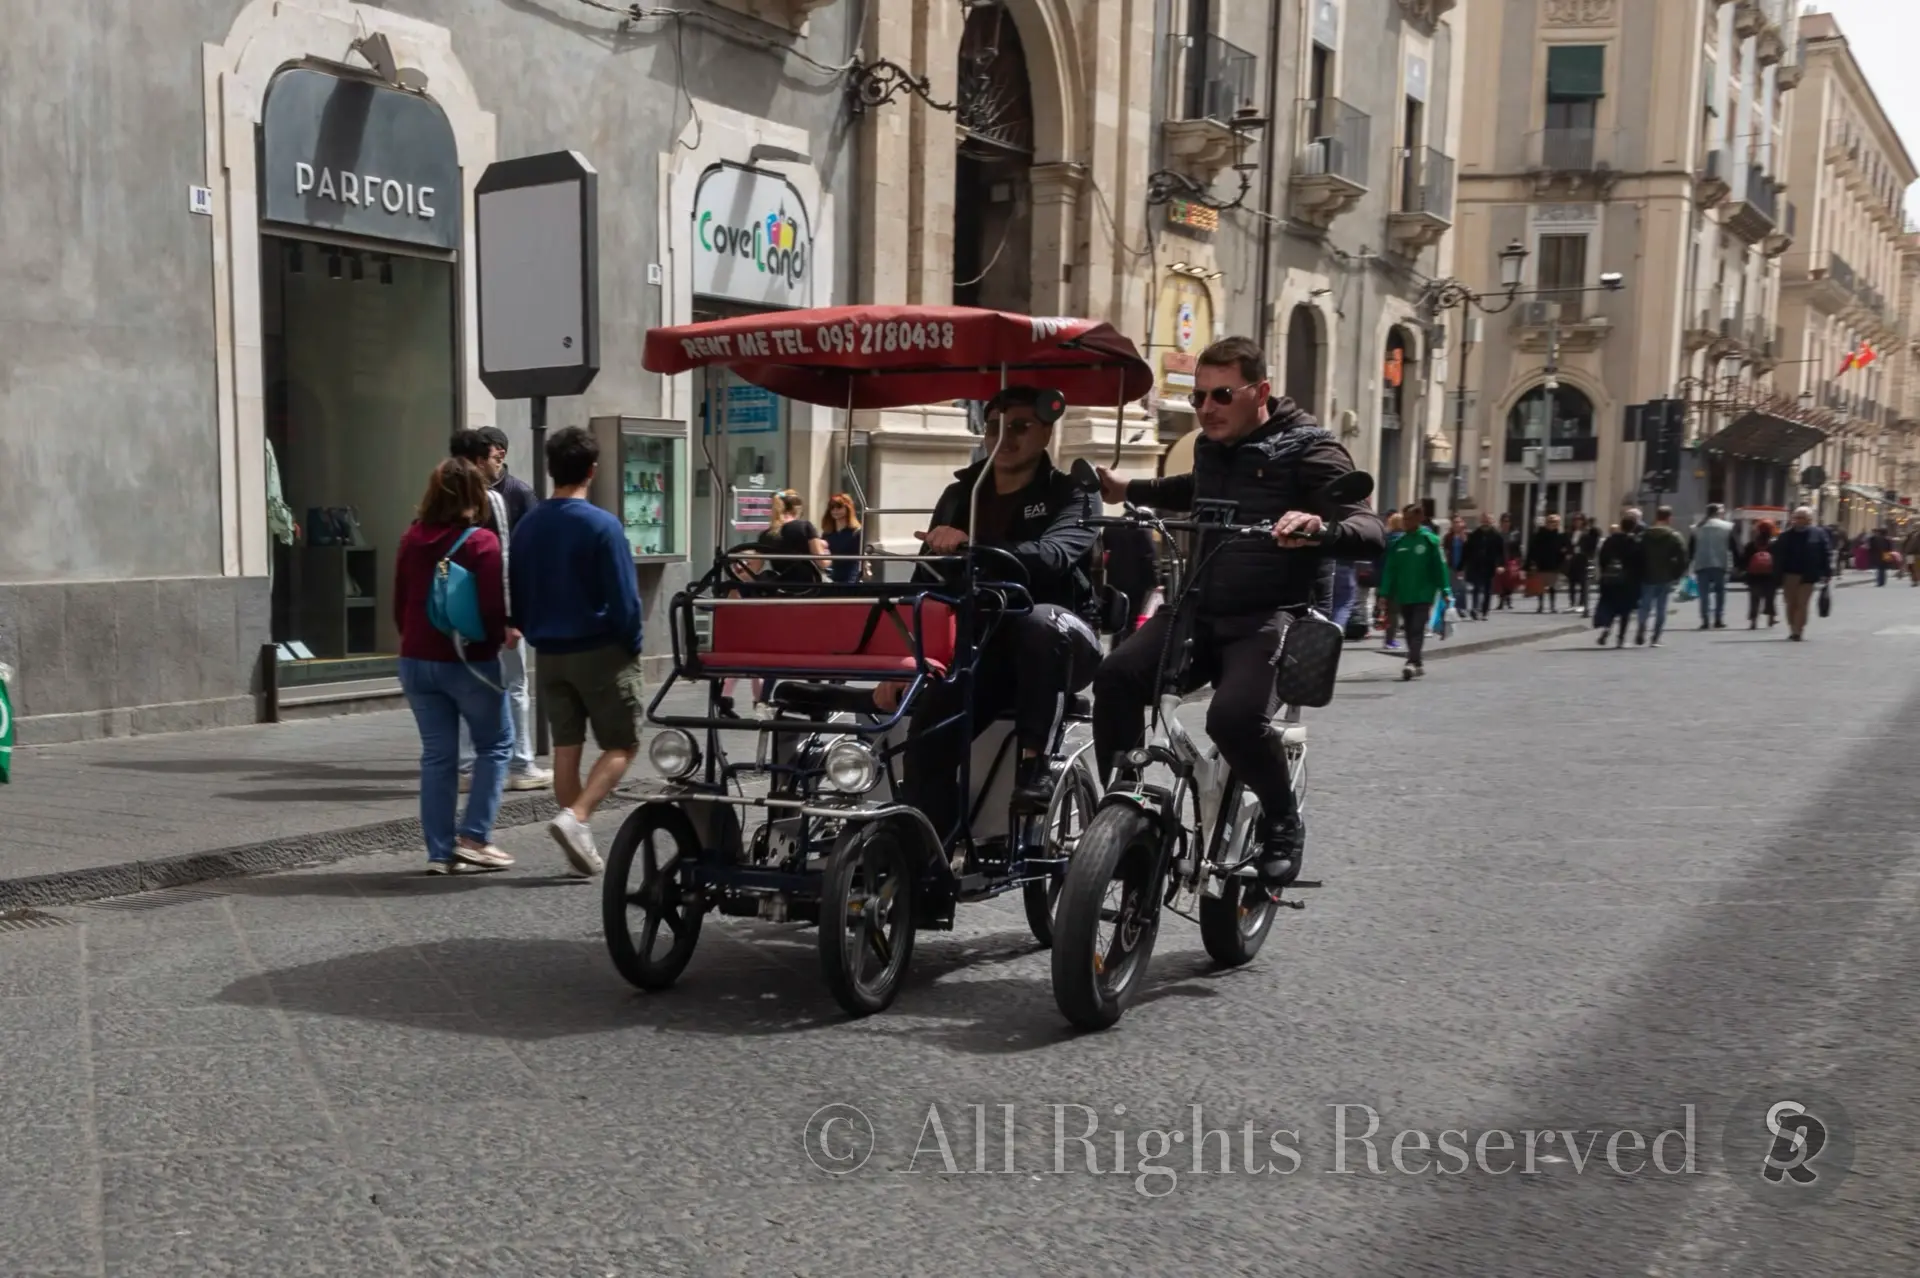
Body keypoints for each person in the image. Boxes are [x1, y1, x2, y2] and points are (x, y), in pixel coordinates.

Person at [1091, 337, 1384, 889]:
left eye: (1221, 395)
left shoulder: (1311, 449)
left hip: (1271, 617)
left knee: (1231, 719)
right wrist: (1130, 488)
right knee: (1115, 676)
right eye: (1200, 396)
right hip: (1200, 609)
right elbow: (1193, 490)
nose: (1206, 409)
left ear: (1261, 392)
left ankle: (1281, 821)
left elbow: (1369, 530)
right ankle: (1120, 807)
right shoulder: (1209, 446)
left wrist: (1320, 530)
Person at [872, 386, 1103, 841]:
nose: (1004, 438)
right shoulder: (960, 494)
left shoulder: (1072, 493)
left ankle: (1034, 767)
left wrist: (972, 546)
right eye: (995, 427)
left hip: (1059, 644)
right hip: (981, 647)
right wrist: (902, 659)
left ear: (1046, 433)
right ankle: (931, 860)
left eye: (1020, 427)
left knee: (1039, 621)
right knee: (925, 741)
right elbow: (926, 582)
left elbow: (1055, 555)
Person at [508, 427, 646, 876]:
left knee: (566, 749)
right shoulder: (602, 525)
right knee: (622, 743)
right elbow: (625, 597)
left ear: (551, 470)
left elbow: (519, 589)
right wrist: (632, 642)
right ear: (592, 470)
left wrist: (533, 630)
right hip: (601, 648)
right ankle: (577, 816)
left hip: (548, 650)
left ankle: (577, 846)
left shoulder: (527, 524)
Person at [392, 458, 515, 874]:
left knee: (437, 756)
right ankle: (474, 837)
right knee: (497, 744)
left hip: (415, 660)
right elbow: (493, 609)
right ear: (476, 496)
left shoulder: (411, 538)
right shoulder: (482, 543)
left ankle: (439, 852)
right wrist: (498, 641)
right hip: (467, 662)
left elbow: (399, 602)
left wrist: (414, 639)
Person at [449, 430, 550, 793]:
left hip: (460, 608)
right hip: (490, 609)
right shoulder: (494, 498)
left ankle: (469, 767)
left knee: (471, 687)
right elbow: (510, 559)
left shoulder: (443, 498)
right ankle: (517, 763)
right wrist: (513, 616)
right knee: (513, 684)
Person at [1378, 502, 1452, 680]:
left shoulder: (1430, 541)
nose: (1406, 522)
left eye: (1410, 519)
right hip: (1404, 594)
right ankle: (1417, 661)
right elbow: (1390, 570)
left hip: (1423, 594)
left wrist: (1446, 590)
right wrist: (1384, 593)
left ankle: (1410, 662)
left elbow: (1440, 567)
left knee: (1417, 628)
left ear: (1419, 519)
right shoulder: (1399, 543)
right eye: (1404, 519)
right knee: (1409, 629)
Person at [1772, 506, 1833, 641]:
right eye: (1796, 518)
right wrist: (1776, 575)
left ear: (1809, 520)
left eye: (1802, 518)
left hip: (1808, 575)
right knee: (1790, 603)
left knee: (1802, 603)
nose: (1798, 521)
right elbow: (1778, 556)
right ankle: (1792, 627)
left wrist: (1827, 572)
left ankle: (1798, 630)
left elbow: (1826, 553)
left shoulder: (1818, 534)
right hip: (1789, 574)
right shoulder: (1785, 536)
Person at [1636, 506, 1688, 647]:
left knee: (1645, 606)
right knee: (1661, 608)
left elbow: (1637, 554)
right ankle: (1655, 637)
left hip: (1647, 575)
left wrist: (1639, 571)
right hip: (1665, 576)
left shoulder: (1645, 535)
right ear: (1669, 518)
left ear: (1656, 517)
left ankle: (1641, 627)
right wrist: (1676, 574)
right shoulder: (1674, 536)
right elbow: (1683, 557)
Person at [1594, 510, 1646, 649]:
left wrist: (1605, 572)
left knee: (1611, 607)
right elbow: (1639, 562)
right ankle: (1620, 638)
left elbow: (1602, 558)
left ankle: (1605, 631)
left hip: (1610, 580)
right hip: (1628, 582)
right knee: (1625, 611)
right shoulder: (1634, 542)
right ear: (1634, 527)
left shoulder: (1610, 540)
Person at [759, 490, 830, 583]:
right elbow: (822, 562)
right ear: (796, 509)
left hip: (781, 587)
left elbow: (756, 567)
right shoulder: (805, 526)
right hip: (809, 587)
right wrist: (827, 554)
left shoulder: (766, 534)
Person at [1689, 502, 1736, 631]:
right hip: (1720, 563)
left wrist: (1689, 562)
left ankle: (1705, 620)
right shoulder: (1727, 527)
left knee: (1704, 594)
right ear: (1718, 513)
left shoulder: (1696, 528)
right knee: (1720, 592)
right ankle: (1718, 619)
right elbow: (1733, 547)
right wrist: (1738, 564)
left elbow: (1691, 548)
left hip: (1702, 563)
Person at [1462, 512, 1505, 621]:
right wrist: (1461, 566)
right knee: (1476, 588)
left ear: (1492, 521)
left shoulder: (1497, 535)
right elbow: (1467, 551)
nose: (1486, 522)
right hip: (1476, 565)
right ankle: (1475, 609)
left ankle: (1485, 611)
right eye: (1484, 520)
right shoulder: (1475, 534)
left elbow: (1502, 552)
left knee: (1487, 590)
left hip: (1490, 566)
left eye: (1488, 520)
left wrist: (1500, 565)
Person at [1525, 512, 1568, 613]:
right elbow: (1532, 549)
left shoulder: (1561, 535)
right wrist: (1530, 563)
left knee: (1553, 587)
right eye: (1551, 522)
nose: (1553, 524)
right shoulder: (1540, 534)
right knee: (1540, 586)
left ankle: (1552, 606)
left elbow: (1567, 547)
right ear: (1546, 523)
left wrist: (1564, 553)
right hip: (1542, 564)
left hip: (1554, 564)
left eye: (1556, 522)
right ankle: (1540, 606)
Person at [1740, 519, 1779, 629]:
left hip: (1754, 576)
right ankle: (1771, 618)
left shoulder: (1751, 545)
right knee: (1770, 597)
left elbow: (1744, 560)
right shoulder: (1774, 545)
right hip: (1770, 576)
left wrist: (1743, 570)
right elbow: (1779, 560)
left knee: (1754, 599)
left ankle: (1753, 621)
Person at [1565, 512, 1599, 616]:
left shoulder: (1587, 532)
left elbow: (1594, 541)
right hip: (1573, 559)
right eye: (1575, 520)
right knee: (1571, 582)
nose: (1577, 522)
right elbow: (1568, 544)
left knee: (1583, 582)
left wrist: (1592, 526)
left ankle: (1582, 604)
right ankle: (1572, 603)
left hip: (1583, 559)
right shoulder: (1570, 532)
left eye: (1579, 520)